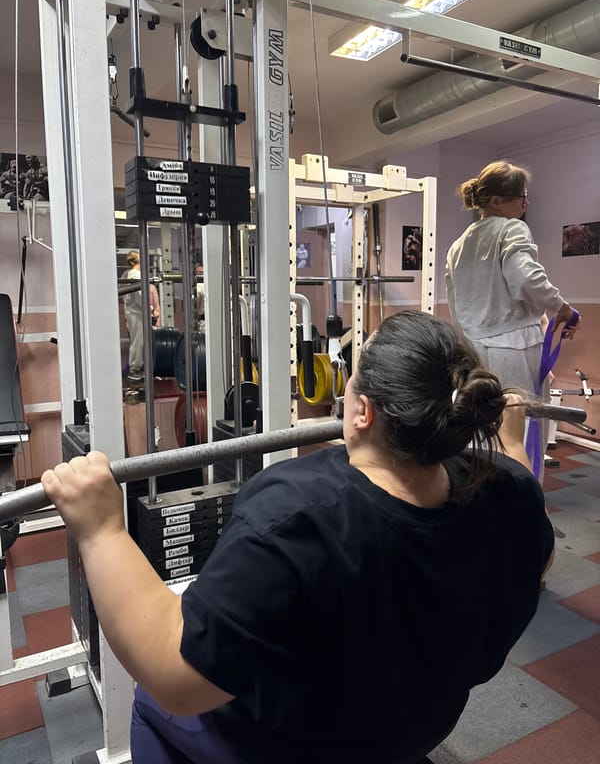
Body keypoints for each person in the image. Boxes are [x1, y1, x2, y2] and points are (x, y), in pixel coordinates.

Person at [41, 311, 554, 764]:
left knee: (153, 702)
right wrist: (509, 441)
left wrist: (100, 528)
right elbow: (537, 551)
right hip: (410, 730)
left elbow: (175, 678)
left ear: (362, 412)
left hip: (296, 746)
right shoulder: (509, 492)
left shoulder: (295, 517)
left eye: (351, 379)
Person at [446, 160, 580, 471]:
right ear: (496, 200)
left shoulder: (459, 244)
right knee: (520, 431)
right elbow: (527, 278)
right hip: (513, 351)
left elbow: (455, 302)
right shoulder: (512, 228)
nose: (526, 203)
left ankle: (480, 498)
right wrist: (562, 308)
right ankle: (524, 502)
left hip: (474, 351)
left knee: (480, 429)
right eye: (521, 196)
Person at [122, 250, 160, 382]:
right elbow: (139, 297)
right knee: (138, 342)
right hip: (137, 312)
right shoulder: (136, 275)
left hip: (133, 311)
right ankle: (135, 369)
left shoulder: (126, 274)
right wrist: (151, 309)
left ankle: (138, 368)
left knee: (138, 341)